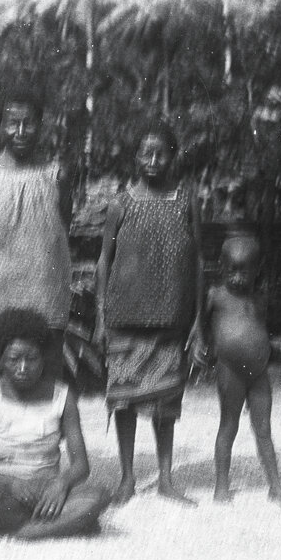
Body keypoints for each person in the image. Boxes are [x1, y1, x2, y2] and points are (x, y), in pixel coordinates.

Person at [92, 120, 207, 506]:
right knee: (124, 401)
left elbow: (198, 260)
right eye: (146, 153)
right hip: (124, 319)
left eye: (161, 154)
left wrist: (198, 321)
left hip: (171, 320)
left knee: (166, 403)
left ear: (173, 157)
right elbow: (104, 260)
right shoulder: (121, 204)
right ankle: (127, 478)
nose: (153, 161)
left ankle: (166, 478)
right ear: (136, 157)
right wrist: (100, 317)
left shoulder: (186, 201)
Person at [0, 88, 74, 392]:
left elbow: (60, 230)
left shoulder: (55, 176)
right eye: (12, 123)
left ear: (40, 125)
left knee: (45, 385)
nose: (20, 131)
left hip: (43, 296)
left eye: (28, 123)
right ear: (1, 125)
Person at [0, 309, 110, 539]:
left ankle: (24, 530)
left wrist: (61, 484)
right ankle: (58, 525)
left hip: (48, 492)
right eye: (14, 359)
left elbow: (81, 465)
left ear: (43, 358)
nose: (23, 367)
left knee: (99, 495)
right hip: (4, 491)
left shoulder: (63, 397)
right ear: (0, 359)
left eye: (31, 359)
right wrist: (12, 484)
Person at [205, 233, 281, 507]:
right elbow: (199, 327)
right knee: (229, 425)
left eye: (245, 271)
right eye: (232, 270)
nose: (238, 277)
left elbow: (261, 331)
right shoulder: (216, 296)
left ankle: (275, 486)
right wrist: (200, 346)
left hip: (259, 372)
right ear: (222, 267)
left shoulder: (260, 299)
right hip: (230, 371)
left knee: (263, 428)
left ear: (257, 270)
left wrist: (277, 345)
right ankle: (221, 486)